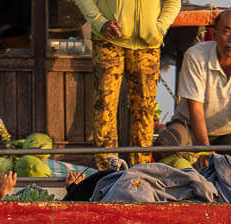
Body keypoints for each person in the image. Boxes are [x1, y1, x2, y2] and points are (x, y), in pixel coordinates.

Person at [154, 9, 231, 184]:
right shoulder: (196, 56)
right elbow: (195, 109)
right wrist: (205, 151)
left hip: (229, 133)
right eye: (226, 31)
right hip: (189, 126)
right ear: (214, 34)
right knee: (163, 146)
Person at [74, 0, 181, 169]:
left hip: (147, 44)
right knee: (104, 109)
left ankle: (141, 173)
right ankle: (107, 172)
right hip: (108, 40)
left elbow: (174, 2)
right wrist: (100, 23)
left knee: (145, 111)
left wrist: (159, 27)